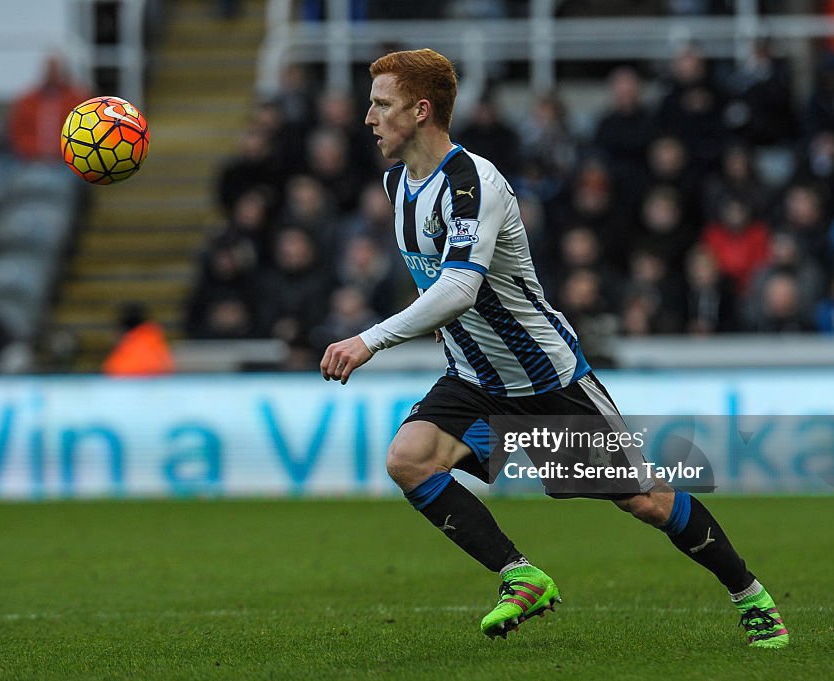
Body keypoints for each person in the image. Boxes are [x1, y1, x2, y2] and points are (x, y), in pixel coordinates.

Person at [320, 48, 789, 648]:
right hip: (476, 380)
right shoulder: (396, 183)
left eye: (380, 104)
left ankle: (752, 597)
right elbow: (441, 285)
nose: (368, 117)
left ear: (421, 110)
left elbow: (461, 287)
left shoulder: (474, 184)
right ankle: (521, 576)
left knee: (644, 500)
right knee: (408, 460)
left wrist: (370, 338)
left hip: (545, 382)